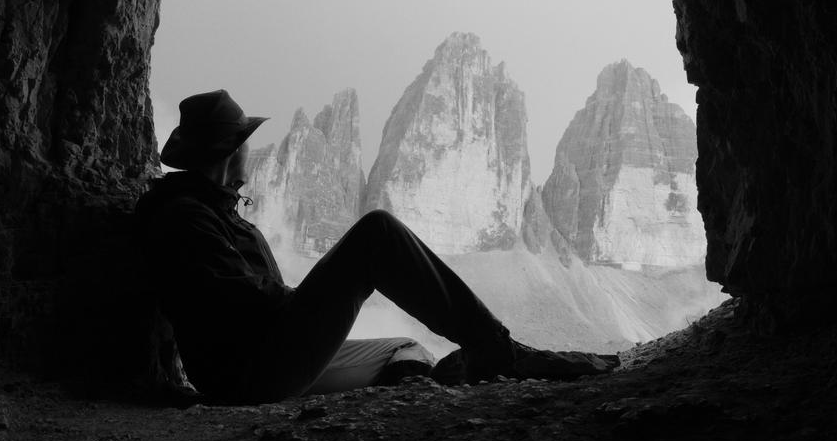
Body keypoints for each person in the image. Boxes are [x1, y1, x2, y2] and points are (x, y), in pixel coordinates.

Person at [136, 89, 617, 403]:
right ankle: (500, 353)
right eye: (245, 140)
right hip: (251, 376)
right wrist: (318, 299)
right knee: (376, 233)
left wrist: (316, 304)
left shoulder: (210, 210)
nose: (250, 149)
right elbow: (240, 305)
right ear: (228, 152)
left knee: (404, 349)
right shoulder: (185, 218)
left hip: (268, 362)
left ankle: (438, 382)